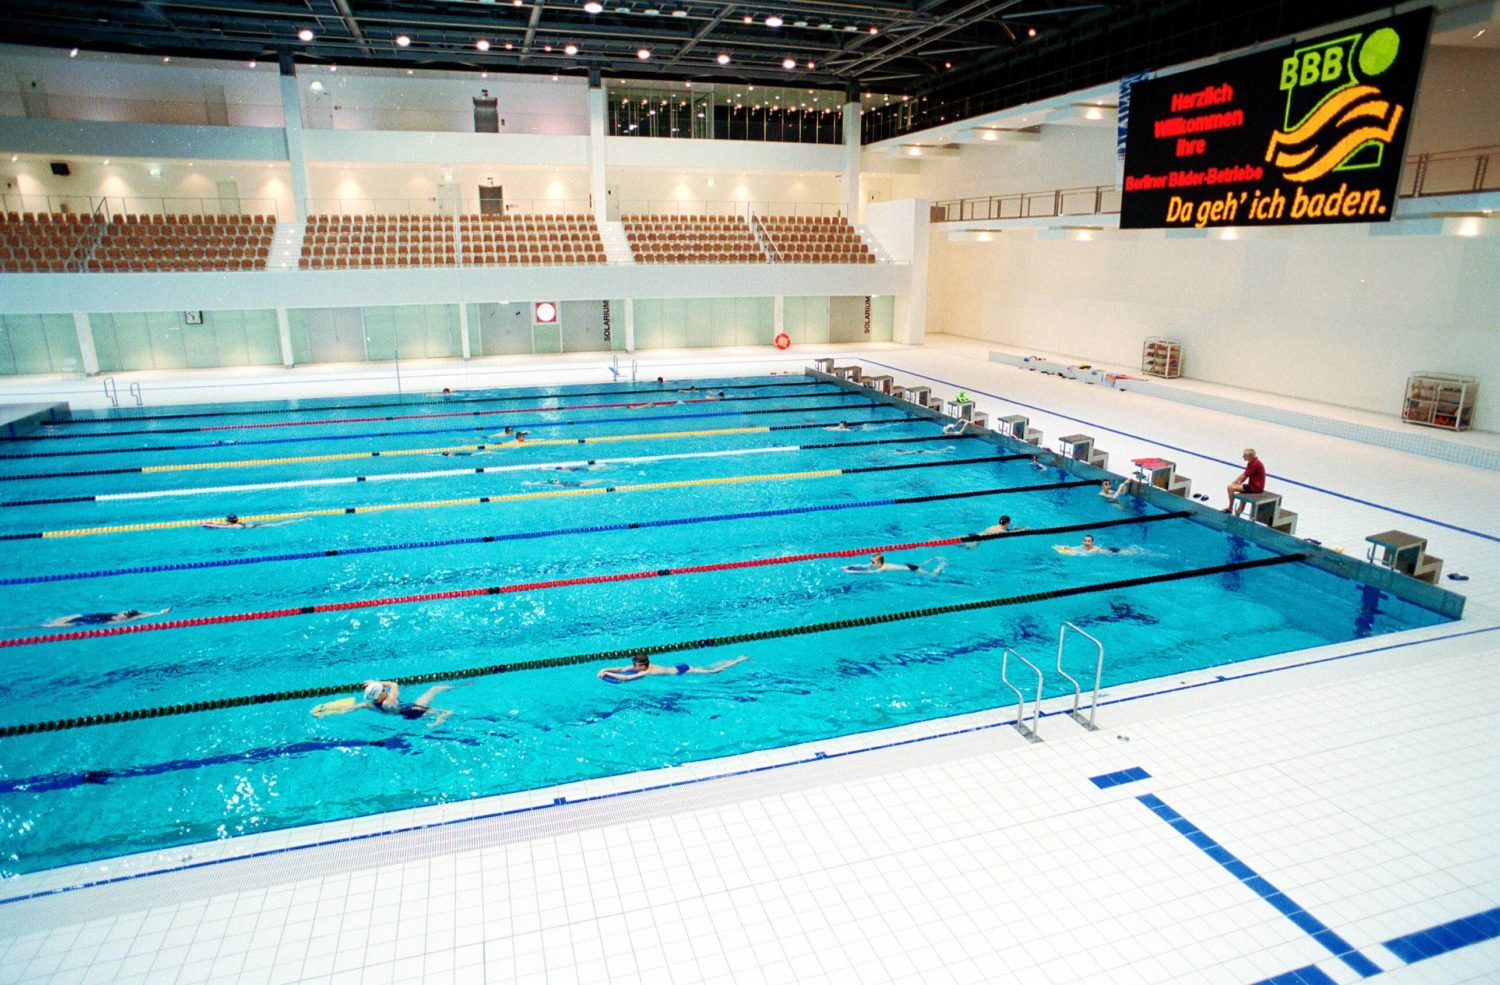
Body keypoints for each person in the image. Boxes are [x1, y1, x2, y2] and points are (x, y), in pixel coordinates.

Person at [313, 680, 455, 727]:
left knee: (434, 691)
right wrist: (378, 682)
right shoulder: (389, 701)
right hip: (413, 711)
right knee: (436, 691)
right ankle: (438, 721)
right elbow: (394, 685)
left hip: (403, 713)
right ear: (381, 693)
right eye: (382, 689)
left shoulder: (371, 705)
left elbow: (352, 707)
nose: (384, 689)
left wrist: (329, 710)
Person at [598, 654, 747, 683]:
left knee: (714, 671)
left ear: (642, 666)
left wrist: (607, 673)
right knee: (710, 668)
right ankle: (730, 659)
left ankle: (738, 660)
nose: (633, 668)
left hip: (682, 670)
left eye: (636, 666)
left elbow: (626, 677)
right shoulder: (642, 667)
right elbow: (623, 669)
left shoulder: (648, 671)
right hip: (676, 668)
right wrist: (605, 669)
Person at [1224, 447, 1266, 515]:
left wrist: (1234, 482)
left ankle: (1230, 508)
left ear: (1250, 456)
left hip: (1255, 488)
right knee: (1241, 492)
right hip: (1254, 486)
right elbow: (1246, 475)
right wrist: (1240, 482)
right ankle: (1238, 513)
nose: (1243, 456)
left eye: (1245, 455)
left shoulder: (1255, 464)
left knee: (1230, 487)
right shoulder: (1252, 462)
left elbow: (1244, 475)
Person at [43, 607, 171, 628]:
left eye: (127, 613)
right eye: (126, 611)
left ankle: (48, 625)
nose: (126, 612)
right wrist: (158, 613)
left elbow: (140, 616)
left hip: (103, 621)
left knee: (77, 622)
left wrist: (160, 613)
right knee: (79, 618)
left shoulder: (113, 621)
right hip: (101, 617)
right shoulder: (111, 616)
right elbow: (143, 613)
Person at [844, 552, 946, 575]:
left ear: (879, 562)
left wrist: (852, 572)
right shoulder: (877, 564)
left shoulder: (883, 567)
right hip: (908, 566)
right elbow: (863, 566)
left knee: (932, 575)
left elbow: (870, 573)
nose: (870, 563)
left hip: (911, 569)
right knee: (919, 565)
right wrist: (848, 567)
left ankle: (941, 565)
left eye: (872, 562)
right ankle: (934, 559)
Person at [201, 513, 302, 529]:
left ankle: (296, 521)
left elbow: (223, 526)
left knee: (277, 524)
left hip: (256, 527)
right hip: (253, 525)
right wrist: (212, 523)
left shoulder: (234, 526)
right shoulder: (235, 524)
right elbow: (222, 524)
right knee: (277, 523)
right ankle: (297, 520)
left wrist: (210, 525)